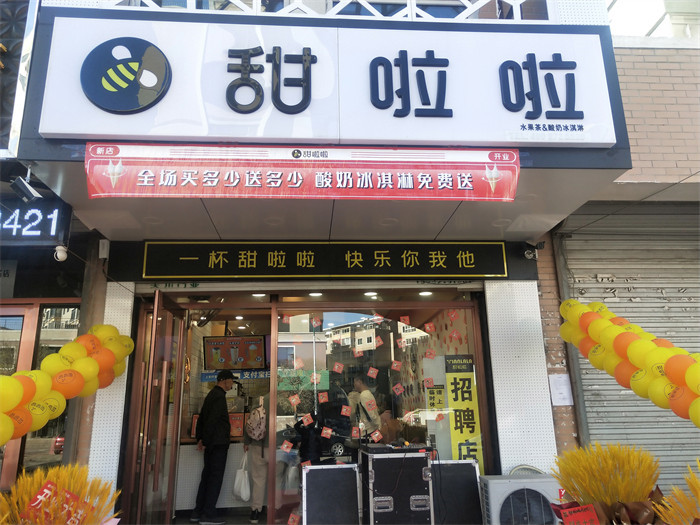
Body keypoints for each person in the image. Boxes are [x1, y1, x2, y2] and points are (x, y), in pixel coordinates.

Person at [192, 370, 235, 525]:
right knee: (214, 479)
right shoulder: (219, 396)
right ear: (224, 380)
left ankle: (198, 512)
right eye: (231, 380)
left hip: (211, 443)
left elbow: (202, 418)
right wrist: (206, 441)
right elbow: (212, 420)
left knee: (207, 477)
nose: (232, 383)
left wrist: (200, 438)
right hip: (217, 444)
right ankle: (208, 514)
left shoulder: (211, 394)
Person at [244, 394, 269, 524]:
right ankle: (276, 509)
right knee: (277, 479)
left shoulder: (259, 400)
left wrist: (246, 442)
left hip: (258, 446)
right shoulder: (283, 401)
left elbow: (249, 423)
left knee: (258, 480)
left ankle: (255, 512)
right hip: (278, 447)